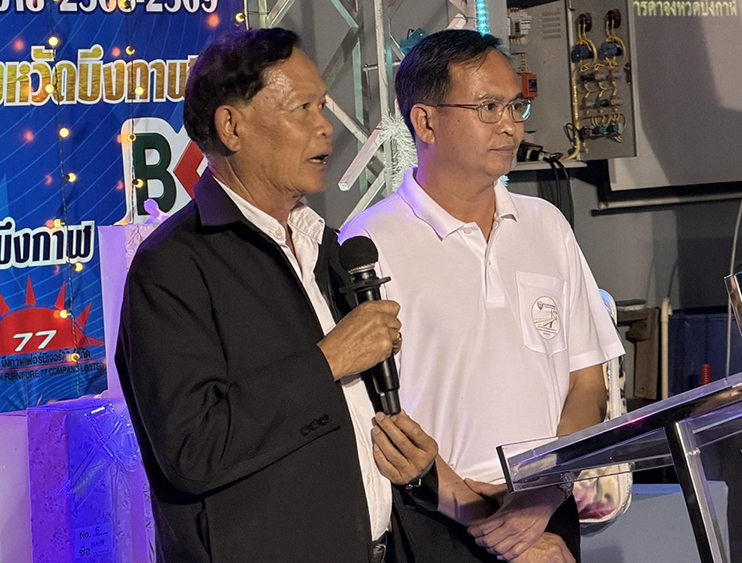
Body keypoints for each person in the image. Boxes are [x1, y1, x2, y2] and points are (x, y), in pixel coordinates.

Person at [116, 28, 437, 563]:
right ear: (232, 127)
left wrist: (410, 462)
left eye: (323, 106)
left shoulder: (328, 247)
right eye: (302, 108)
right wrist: (329, 359)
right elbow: (193, 450)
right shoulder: (171, 267)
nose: (325, 126)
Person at [342, 29, 625, 563]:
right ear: (425, 122)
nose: (510, 126)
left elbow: (588, 381)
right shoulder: (369, 242)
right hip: (435, 519)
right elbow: (375, 415)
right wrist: (480, 515)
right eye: (488, 108)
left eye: (516, 106)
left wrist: (542, 497)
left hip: (547, 508)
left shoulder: (546, 225)